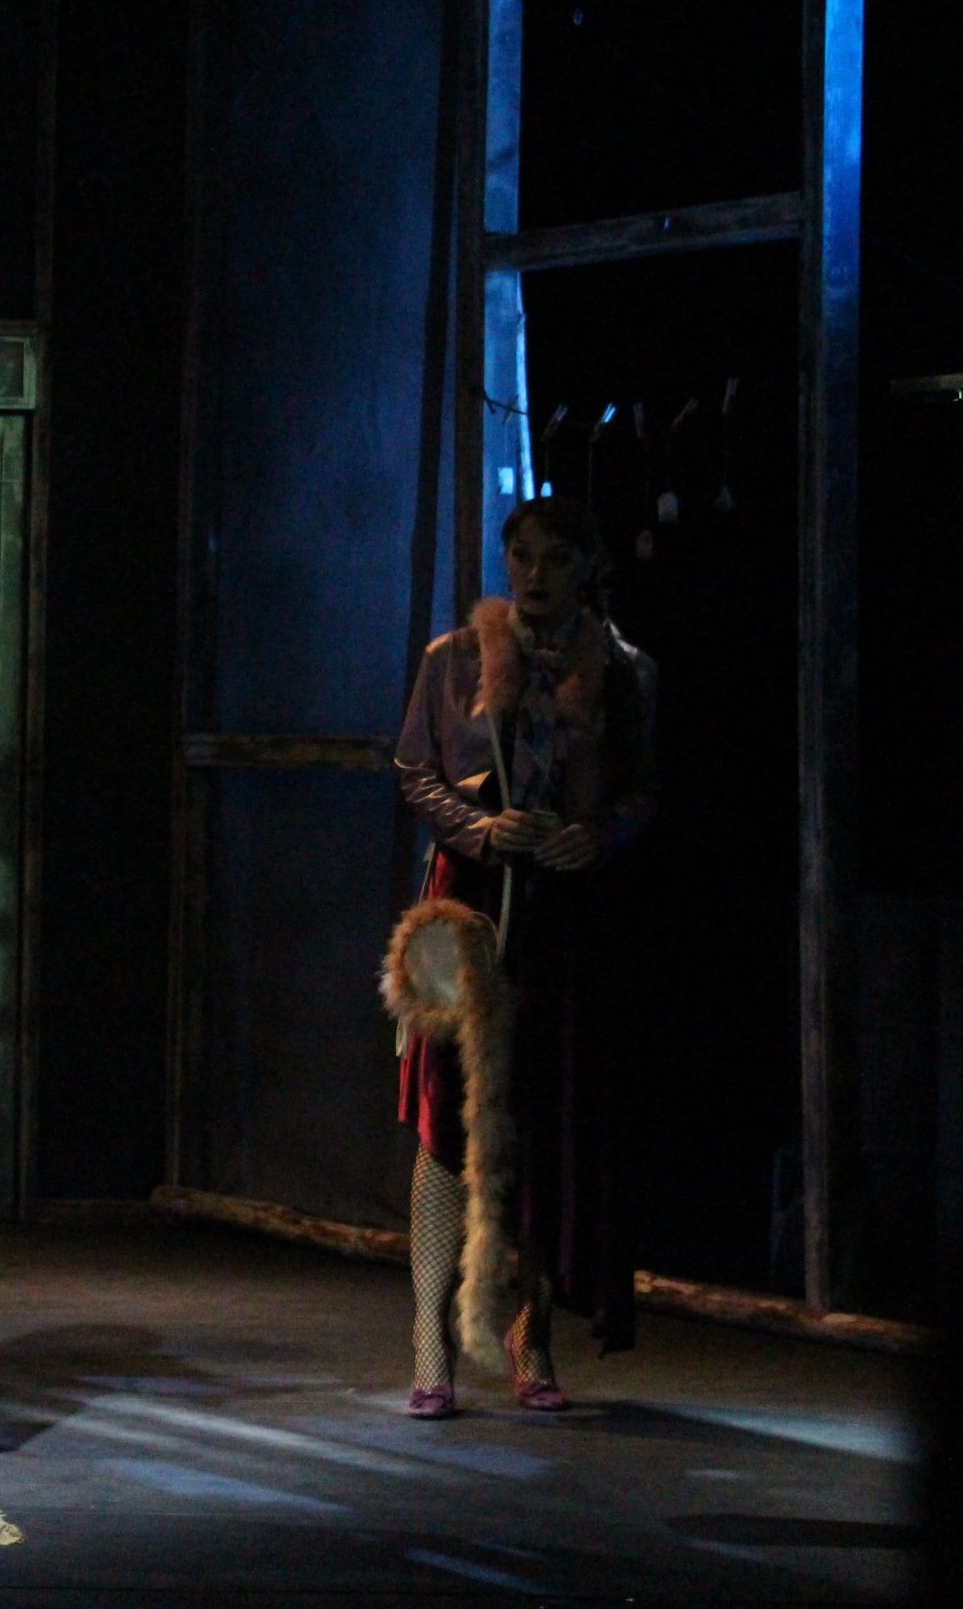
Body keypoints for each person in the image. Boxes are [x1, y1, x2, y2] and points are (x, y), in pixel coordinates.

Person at [391, 495, 657, 1416]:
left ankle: (529, 1333)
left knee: (545, 1121)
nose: (536, 575)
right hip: (469, 909)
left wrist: (596, 834)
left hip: (563, 916)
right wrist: (479, 827)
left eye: (556, 559)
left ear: (587, 568)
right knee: (445, 1120)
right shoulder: (455, 659)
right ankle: (431, 1341)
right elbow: (415, 767)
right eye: (524, 556)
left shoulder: (622, 670)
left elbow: (640, 793)